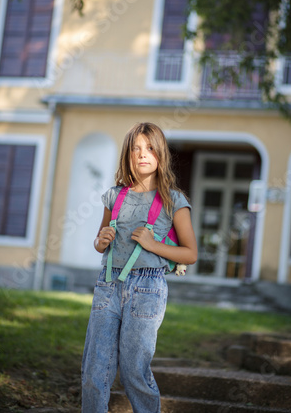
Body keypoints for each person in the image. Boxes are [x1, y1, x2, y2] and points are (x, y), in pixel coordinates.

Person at [81, 122, 197, 413]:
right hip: (108, 286)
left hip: (147, 289)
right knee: (95, 369)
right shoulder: (115, 196)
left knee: (135, 370)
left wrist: (152, 244)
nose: (142, 154)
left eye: (149, 148)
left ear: (160, 154)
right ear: (127, 155)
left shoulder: (174, 201)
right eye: (135, 149)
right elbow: (100, 242)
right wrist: (101, 239)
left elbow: (190, 253)